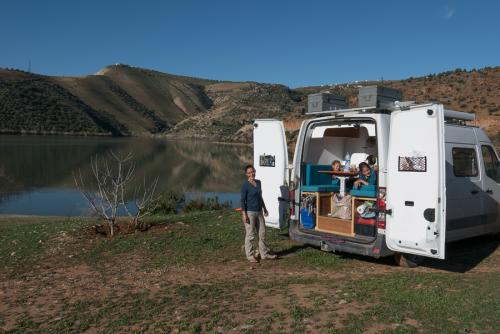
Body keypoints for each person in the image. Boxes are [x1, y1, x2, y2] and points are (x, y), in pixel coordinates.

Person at [241, 165, 277, 263]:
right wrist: (244, 214)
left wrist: (264, 208)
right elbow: (242, 201)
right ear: (246, 174)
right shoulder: (245, 185)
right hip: (250, 213)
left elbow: (260, 197)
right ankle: (250, 255)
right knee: (250, 234)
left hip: (259, 211)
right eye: (249, 172)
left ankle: (264, 254)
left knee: (262, 233)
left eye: (252, 171)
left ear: (255, 171)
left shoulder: (258, 182)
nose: (251, 174)